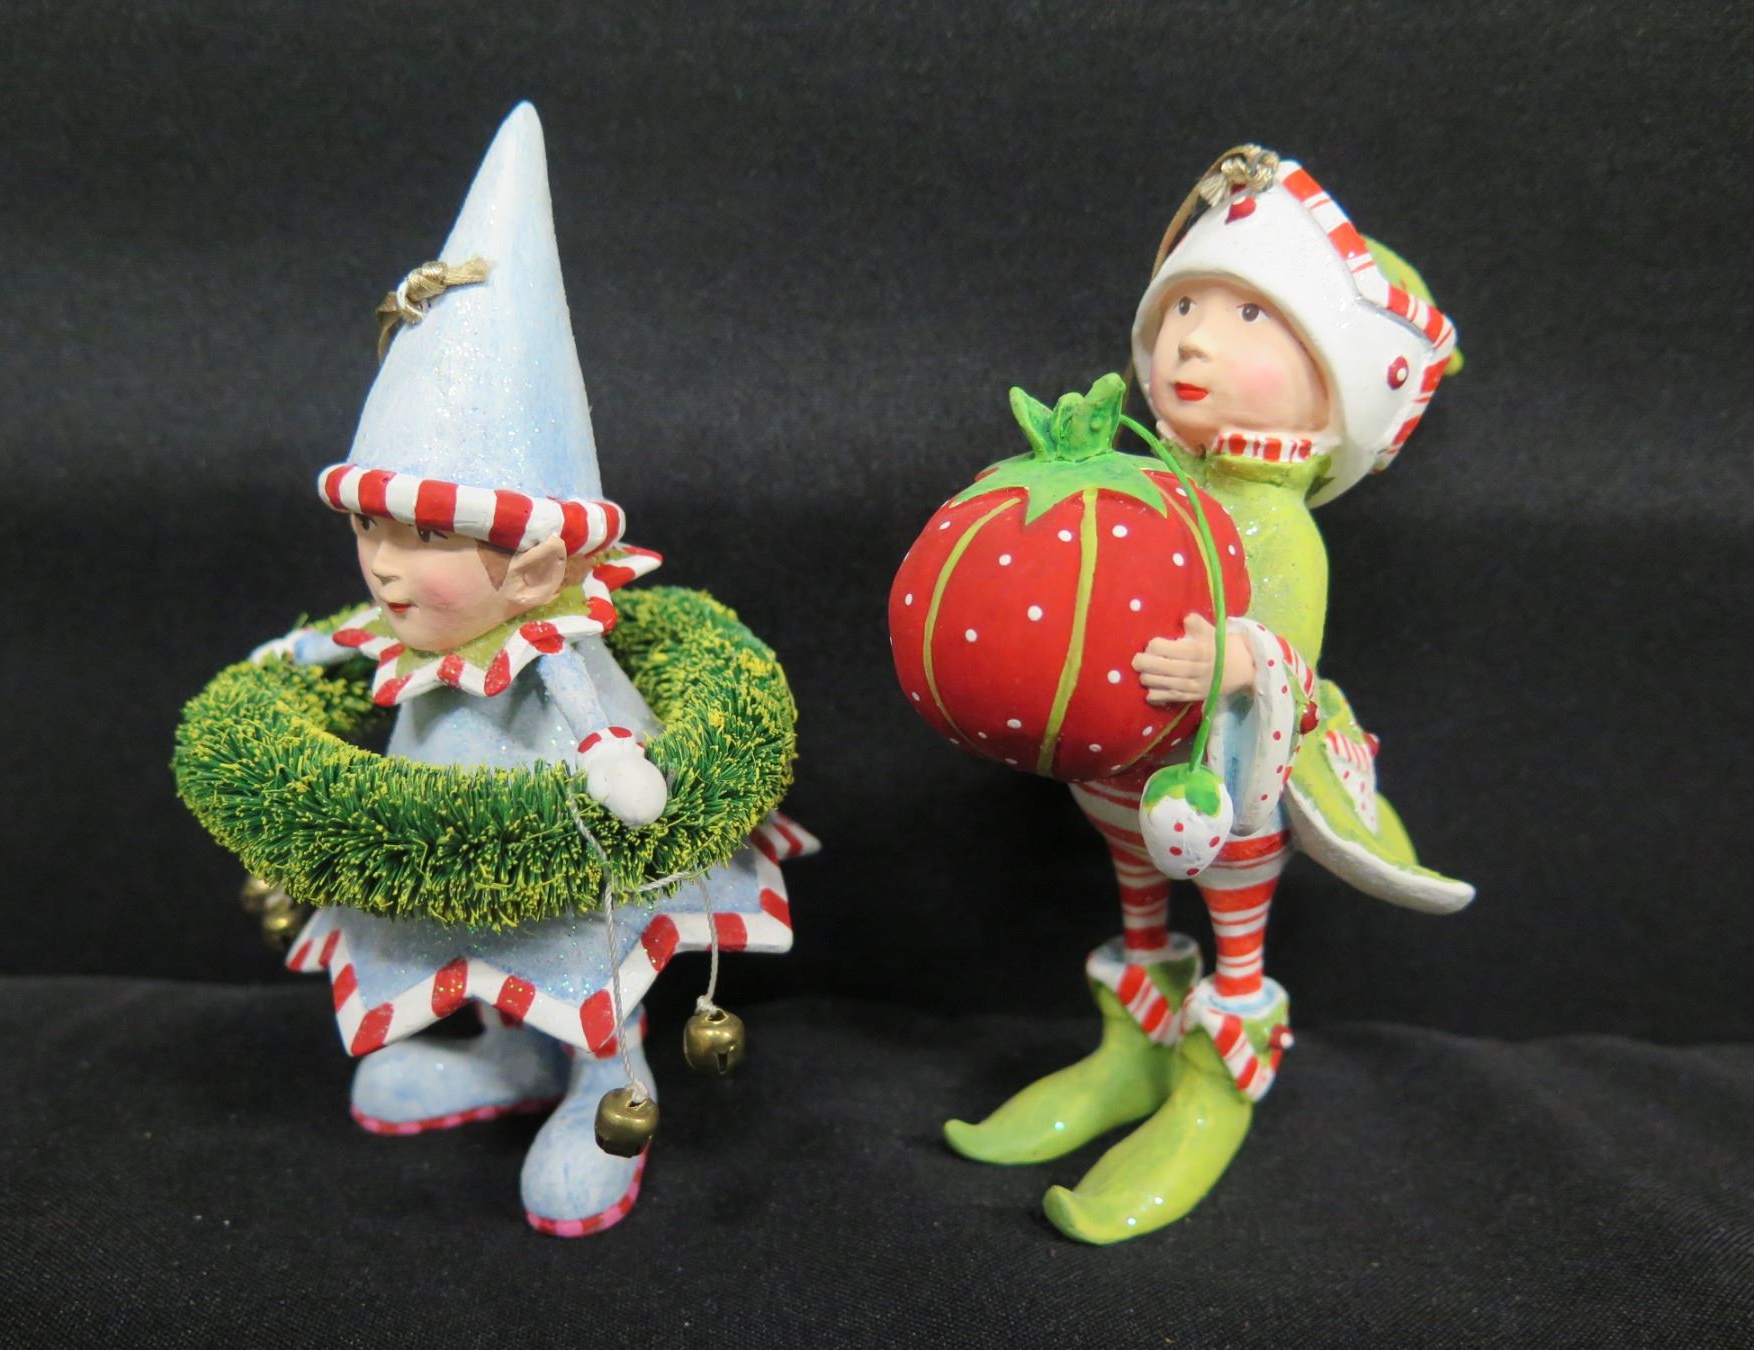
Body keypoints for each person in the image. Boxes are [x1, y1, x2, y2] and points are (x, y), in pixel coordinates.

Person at [251, 104, 815, 1238]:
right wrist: (300, 653)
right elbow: (351, 635)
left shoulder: (550, 637)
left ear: (538, 564)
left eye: (424, 537)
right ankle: (509, 1054)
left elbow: (580, 703)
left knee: (576, 944)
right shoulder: (405, 631)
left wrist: (609, 756)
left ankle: (610, 1081)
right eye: (369, 528)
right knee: (472, 934)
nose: (385, 567)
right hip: (444, 827)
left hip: (570, 838)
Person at [946, 146, 1472, 1242]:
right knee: (1136, 897)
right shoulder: (1150, 478)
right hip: (1121, 773)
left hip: (1225, 785)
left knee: (1233, 924)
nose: (1192, 338)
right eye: (1183, 306)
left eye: (1248, 315)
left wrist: (1233, 659)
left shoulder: (1277, 522)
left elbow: (1289, 651)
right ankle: (1133, 1049)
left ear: (1335, 382)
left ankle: (1215, 1075)